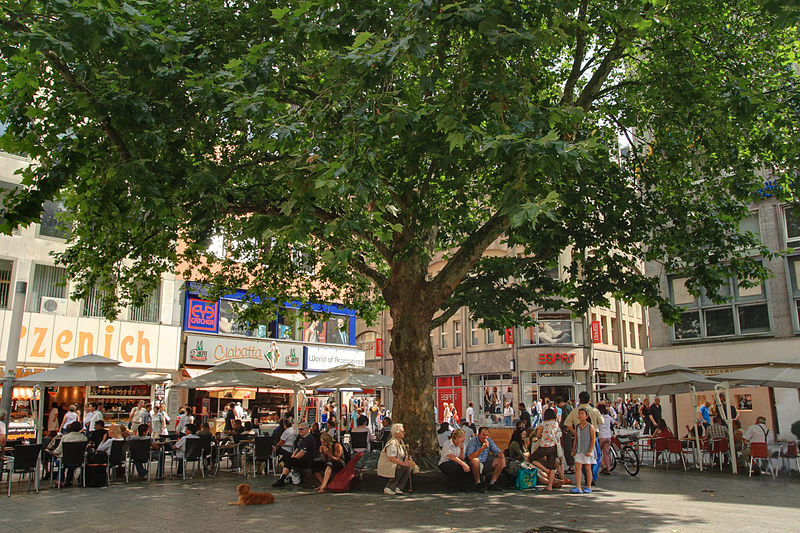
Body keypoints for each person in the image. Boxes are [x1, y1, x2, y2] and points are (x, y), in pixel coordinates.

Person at [273, 422, 316, 487]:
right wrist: (292, 457)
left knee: (288, 459)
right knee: (287, 459)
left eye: (302, 429)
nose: (300, 431)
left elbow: (302, 453)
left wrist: (293, 459)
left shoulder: (309, 439)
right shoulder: (301, 437)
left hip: (307, 460)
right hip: (298, 456)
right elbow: (296, 449)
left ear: (307, 429)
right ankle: (285, 477)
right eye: (299, 429)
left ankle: (283, 479)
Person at [465, 427, 505, 492]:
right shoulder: (473, 441)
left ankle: (493, 482)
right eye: (483, 435)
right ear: (478, 434)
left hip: (485, 462)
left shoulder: (489, 441)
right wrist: (482, 449)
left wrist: (502, 457)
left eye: (487, 435)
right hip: (475, 463)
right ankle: (478, 483)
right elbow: (470, 457)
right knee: (476, 461)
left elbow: (497, 451)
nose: (485, 437)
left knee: (500, 460)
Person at [378, 423, 414, 495]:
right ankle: (390, 487)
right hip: (388, 464)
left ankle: (399, 487)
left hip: (396, 462)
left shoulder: (401, 442)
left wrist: (407, 461)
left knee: (409, 467)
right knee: (400, 467)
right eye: (402, 432)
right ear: (397, 434)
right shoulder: (392, 443)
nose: (404, 433)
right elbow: (391, 458)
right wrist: (403, 463)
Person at [530, 409, 560, 491]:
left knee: (531, 458)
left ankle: (546, 470)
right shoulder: (556, 424)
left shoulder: (543, 424)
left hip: (544, 446)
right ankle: (549, 486)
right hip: (553, 447)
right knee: (552, 466)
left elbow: (538, 435)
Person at [53, 421, 87, 486]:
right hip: (78, 460)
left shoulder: (65, 437)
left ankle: (60, 480)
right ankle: (68, 480)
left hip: (65, 460)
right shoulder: (84, 438)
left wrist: (53, 452)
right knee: (72, 463)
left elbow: (58, 450)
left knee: (60, 463)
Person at [571, 408, 596, 494]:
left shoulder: (590, 426)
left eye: (582, 414)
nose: (580, 415)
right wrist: (573, 449)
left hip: (587, 450)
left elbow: (593, 439)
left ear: (587, 416)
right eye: (579, 414)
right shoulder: (577, 426)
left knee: (588, 468)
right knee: (578, 468)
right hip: (579, 450)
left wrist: (590, 450)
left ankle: (589, 486)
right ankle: (578, 487)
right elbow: (576, 439)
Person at [439, 428, 471, 493]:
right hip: (446, 463)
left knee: (462, 465)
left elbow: (461, 458)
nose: (464, 439)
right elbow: (452, 457)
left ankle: (463, 487)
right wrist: (464, 464)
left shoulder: (462, 445)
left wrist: (461, 450)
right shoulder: (447, 444)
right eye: (462, 437)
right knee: (454, 464)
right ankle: (451, 487)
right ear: (456, 438)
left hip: (457, 462)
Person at [556, 397, 575, 474]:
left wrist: (566, 429)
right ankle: (570, 465)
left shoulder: (566, 408)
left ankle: (571, 466)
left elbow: (568, 419)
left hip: (567, 431)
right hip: (566, 430)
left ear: (561, 402)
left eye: (557, 404)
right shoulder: (566, 407)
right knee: (567, 448)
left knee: (568, 448)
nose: (557, 406)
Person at [597, 404, 614, 475]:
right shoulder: (608, 417)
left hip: (601, 436)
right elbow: (614, 422)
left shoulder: (598, 417)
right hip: (608, 436)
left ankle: (603, 465)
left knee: (597, 453)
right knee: (606, 453)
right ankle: (608, 468)